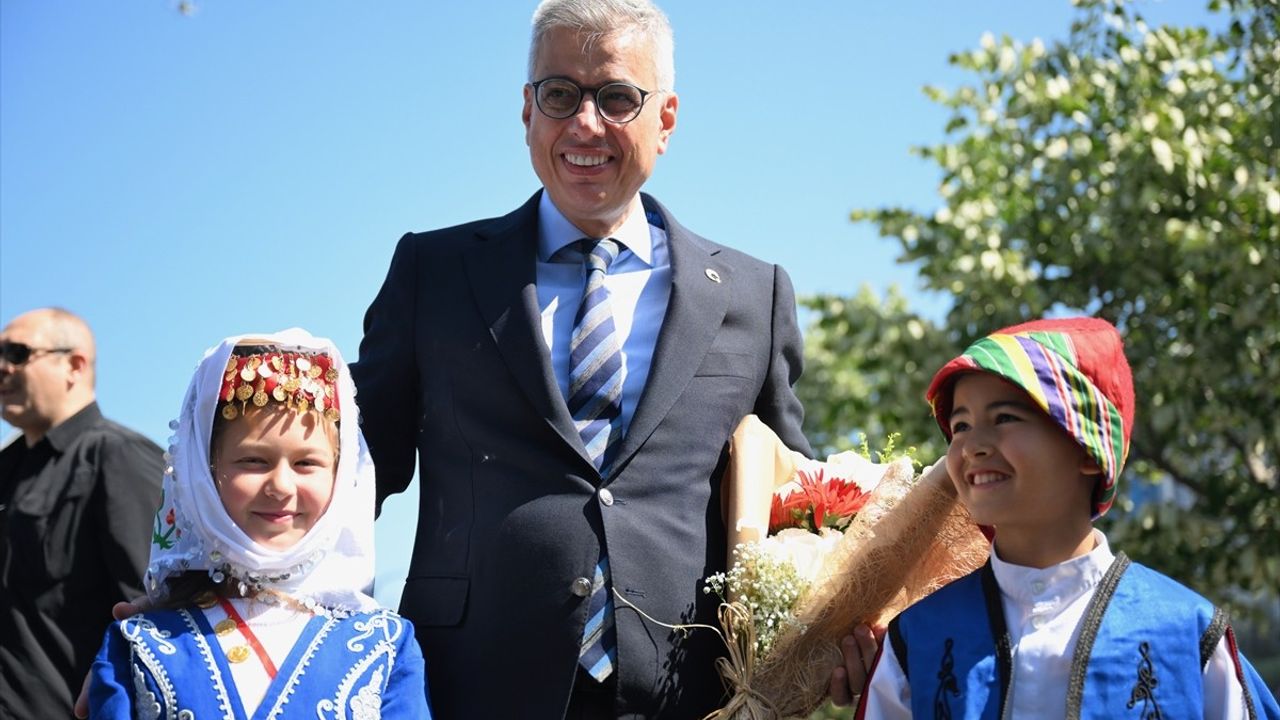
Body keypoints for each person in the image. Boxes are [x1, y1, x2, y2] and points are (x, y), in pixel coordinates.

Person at [350, 0, 877, 716]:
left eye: (617, 98)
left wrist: (845, 625)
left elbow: (789, 499)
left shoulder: (755, 294)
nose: (584, 124)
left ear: (665, 120)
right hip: (469, 684)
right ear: (527, 112)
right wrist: (212, 590)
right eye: (560, 94)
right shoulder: (433, 273)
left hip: (688, 694)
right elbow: (352, 471)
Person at [857, 317, 1279, 719]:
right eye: (961, 424)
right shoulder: (916, 639)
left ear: (1088, 450)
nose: (972, 445)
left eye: (1004, 418)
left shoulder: (1188, 632)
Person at [88, 329, 431, 718]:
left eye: (306, 463)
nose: (281, 486)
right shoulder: (141, 643)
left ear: (341, 476)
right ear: (202, 472)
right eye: (253, 461)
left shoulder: (384, 644)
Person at [0, 308, 164, 719]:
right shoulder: (8, 469)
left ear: (74, 365)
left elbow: (156, 609)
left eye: (17, 353)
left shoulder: (118, 456)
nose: (2, 367)